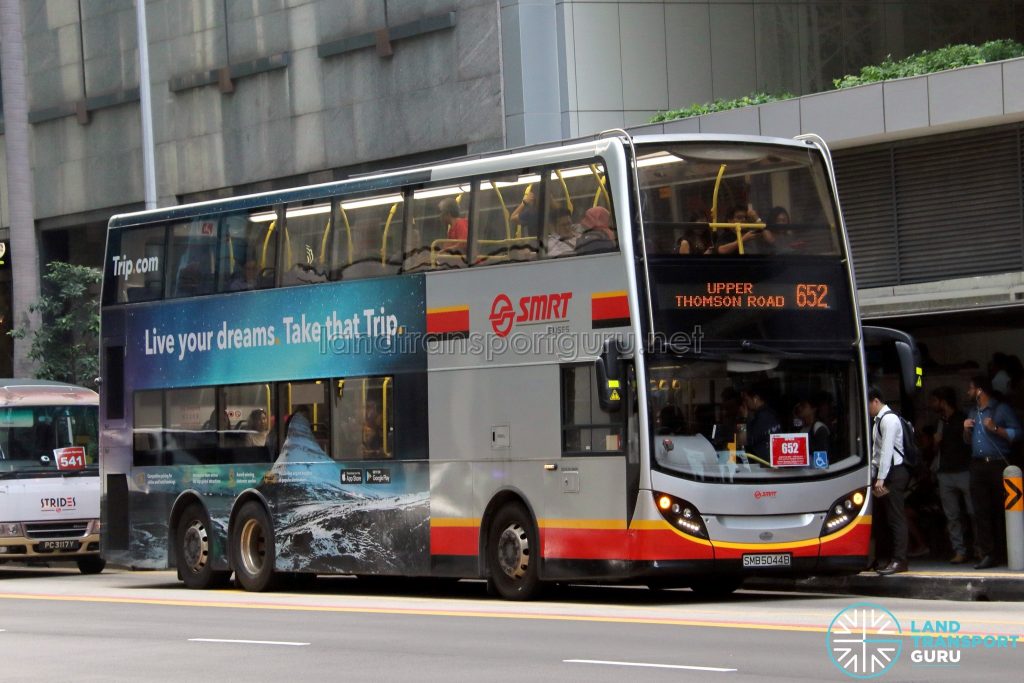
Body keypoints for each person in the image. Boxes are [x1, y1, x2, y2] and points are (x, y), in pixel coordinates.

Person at [963, 374, 1021, 569]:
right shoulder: (973, 412)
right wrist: (966, 430)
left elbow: (1017, 433)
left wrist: (995, 428)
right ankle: (988, 553)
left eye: (971, 389)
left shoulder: (1000, 409)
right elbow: (968, 442)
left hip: (998, 465)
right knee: (981, 511)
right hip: (978, 464)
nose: (968, 392)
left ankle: (1007, 549)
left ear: (979, 391)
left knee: (1002, 509)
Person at [929, 386, 973, 564]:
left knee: (973, 513)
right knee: (952, 516)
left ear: (942, 401)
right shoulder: (941, 421)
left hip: (963, 470)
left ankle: (979, 548)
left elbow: (967, 443)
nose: (932, 404)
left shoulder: (962, 418)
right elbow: (936, 450)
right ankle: (959, 550)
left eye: (934, 400)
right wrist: (936, 443)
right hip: (945, 472)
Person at [868, 386, 909, 575]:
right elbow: (877, 454)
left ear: (876, 401)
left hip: (894, 473)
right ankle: (883, 558)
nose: (867, 409)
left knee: (895, 517)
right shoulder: (878, 421)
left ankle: (900, 560)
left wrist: (881, 478)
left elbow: (886, 451)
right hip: (885, 474)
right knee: (883, 518)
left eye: (868, 404)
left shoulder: (889, 419)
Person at [741, 382, 780, 461]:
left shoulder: (763, 417)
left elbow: (743, 441)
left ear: (755, 399)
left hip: (763, 462)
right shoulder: (769, 414)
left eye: (746, 400)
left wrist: (743, 418)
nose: (745, 404)